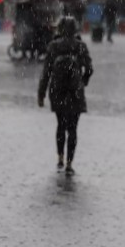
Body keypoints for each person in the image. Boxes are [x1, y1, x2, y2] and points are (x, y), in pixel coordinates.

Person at [38, 17, 93, 176]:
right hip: (75, 91)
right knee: (73, 128)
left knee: (61, 125)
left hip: (58, 90)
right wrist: (83, 82)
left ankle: (60, 157)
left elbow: (46, 73)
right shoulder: (80, 46)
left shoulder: (53, 46)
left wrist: (41, 94)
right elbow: (89, 69)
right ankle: (70, 162)